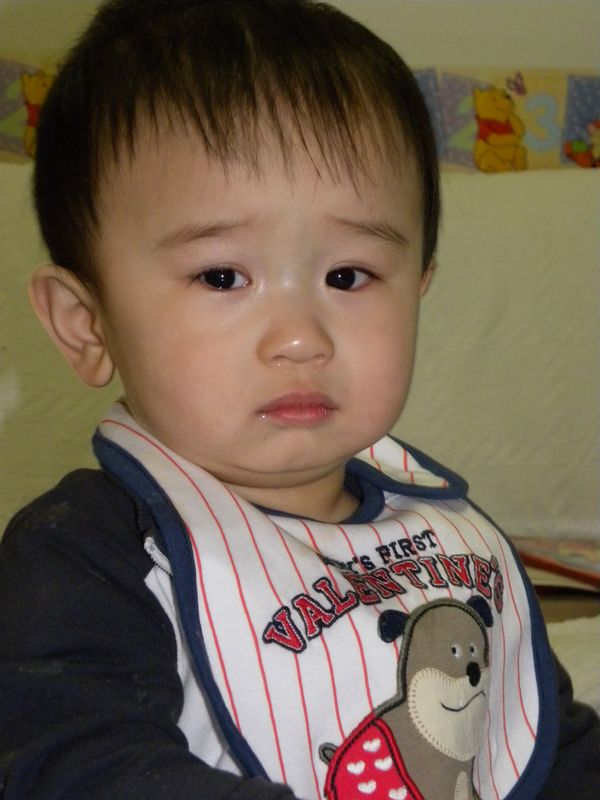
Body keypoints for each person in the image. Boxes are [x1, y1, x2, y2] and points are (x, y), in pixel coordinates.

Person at [0, 1, 598, 798]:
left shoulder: (448, 540)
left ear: (419, 288)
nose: (299, 337)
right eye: (223, 276)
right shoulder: (83, 557)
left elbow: (545, 742)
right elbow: (74, 769)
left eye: (348, 276)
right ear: (88, 323)